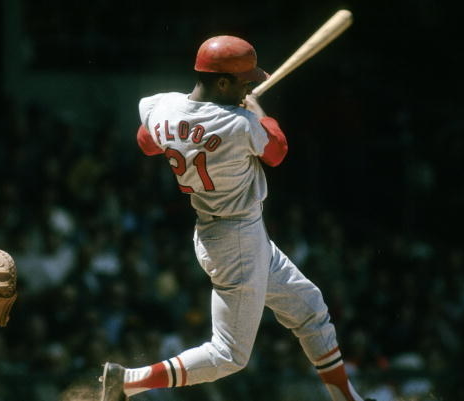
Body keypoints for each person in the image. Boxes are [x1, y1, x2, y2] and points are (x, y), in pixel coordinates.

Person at [99, 35, 374, 401]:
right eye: (245, 82)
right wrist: (258, 110)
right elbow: (277, 151)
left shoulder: (161, 105)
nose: (250, 87)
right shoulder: (242, 124)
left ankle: (348, 399)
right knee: (228, 355)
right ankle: (129, 381)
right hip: (237, 239)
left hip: (225, 231)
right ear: (223, 82)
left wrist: (191, 122)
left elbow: (147, 142)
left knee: (310, 309)